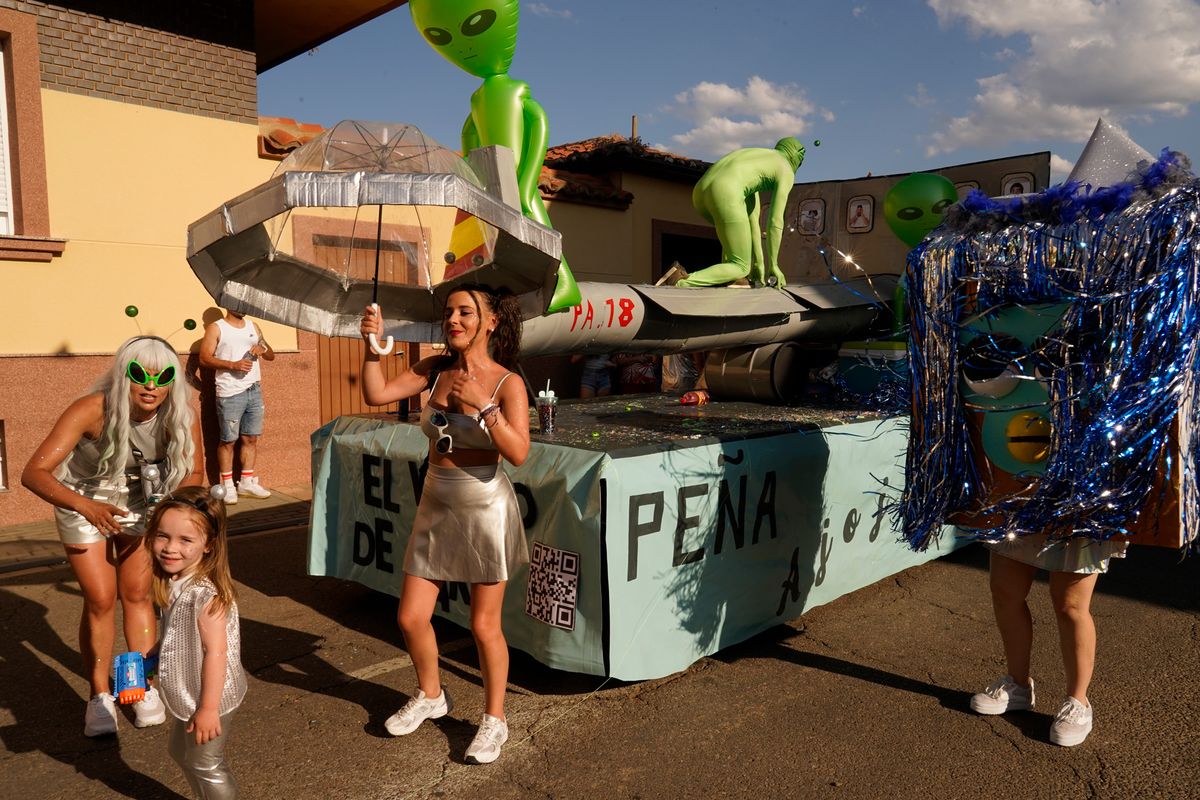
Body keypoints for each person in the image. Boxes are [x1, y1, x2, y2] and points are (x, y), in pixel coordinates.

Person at [359, 283, 530, 765]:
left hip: (482, 505)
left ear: (491, 321)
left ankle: (494, 719)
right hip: (436, 500)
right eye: (449, 312)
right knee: (411, 616)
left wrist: (483, 403)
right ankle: (432, 694)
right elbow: (375, 393)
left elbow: (518, 452)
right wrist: (371, 347)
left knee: (483, 625)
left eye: (465, 312)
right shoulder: (433, 369)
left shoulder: (506, 382)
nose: (453, 320)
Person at [21, 335, 203, 736]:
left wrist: (170, 507)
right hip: (85, 503)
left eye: (164, 376)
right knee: (101, 599)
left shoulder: (182, 414)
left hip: (143, 507)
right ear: (124, 374)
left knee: (137, 595)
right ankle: (99, 695)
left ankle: (140, 686)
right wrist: (86, 507)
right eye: (140, 374)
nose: (152, 386)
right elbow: (33, 473)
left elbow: (194, 473)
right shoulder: (91, 410)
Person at [970, 535, 1127, 746]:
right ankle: (1018, 685)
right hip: (1024, 504)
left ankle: (1078, 702)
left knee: (1070, 604)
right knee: (1005, 590)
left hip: (1078, 507)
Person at [145, 486, 246, 798]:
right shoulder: (174, 580)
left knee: (207, 764)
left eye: (185, 540)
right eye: (163, 536)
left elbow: (216, 652)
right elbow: (177, 631)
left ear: (208, 545)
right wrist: (156, 656)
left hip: (212, 695)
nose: (170, 548)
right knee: (180, 752)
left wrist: (208, 709)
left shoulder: (204, 594)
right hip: (190, 688)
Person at [678, 136, 805, 288]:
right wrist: (774, 265)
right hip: (726, 191)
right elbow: (775, 221)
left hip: (700, 191)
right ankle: (681, 281)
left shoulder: (758, 160)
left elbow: (753, 224)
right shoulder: (785, 169)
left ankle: (729, 279)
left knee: (733, 240)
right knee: (740, 265)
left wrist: (759, 264)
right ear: (798, 155)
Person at [199, 309, 275, 504]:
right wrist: (232, 365)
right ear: (226, 303)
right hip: (230, 392)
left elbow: (270, 354)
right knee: (228, 440)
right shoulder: (216, 328)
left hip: (254, 389)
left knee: (251, 438)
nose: (242, 306)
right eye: (237, 301)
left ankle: (246, 483)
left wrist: (263, 348)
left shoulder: (253, 326)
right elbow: (204, 358)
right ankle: (227, 485)